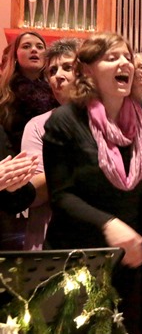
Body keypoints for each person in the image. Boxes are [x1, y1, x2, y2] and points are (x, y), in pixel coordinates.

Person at [43, 33, 142, 333]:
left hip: (127, 262)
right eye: (113, 57)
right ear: (88, 70)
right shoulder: (65, 121)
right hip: (77, 256)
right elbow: (62, 196)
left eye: (127, 57)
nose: (124, 63)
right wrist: (109, 224)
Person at [20, 38, 80, 250]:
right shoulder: (37, 126)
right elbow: (34, 193)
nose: (58, 76)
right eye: (52, 71)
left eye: (67, 68)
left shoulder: (110, 121)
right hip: (48, 240)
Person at [0, 31, 57, 151]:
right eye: (26, 46)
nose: (34, 50)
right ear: (16, 55)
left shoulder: (56, 89)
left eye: (40, 47)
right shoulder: (4, 90)